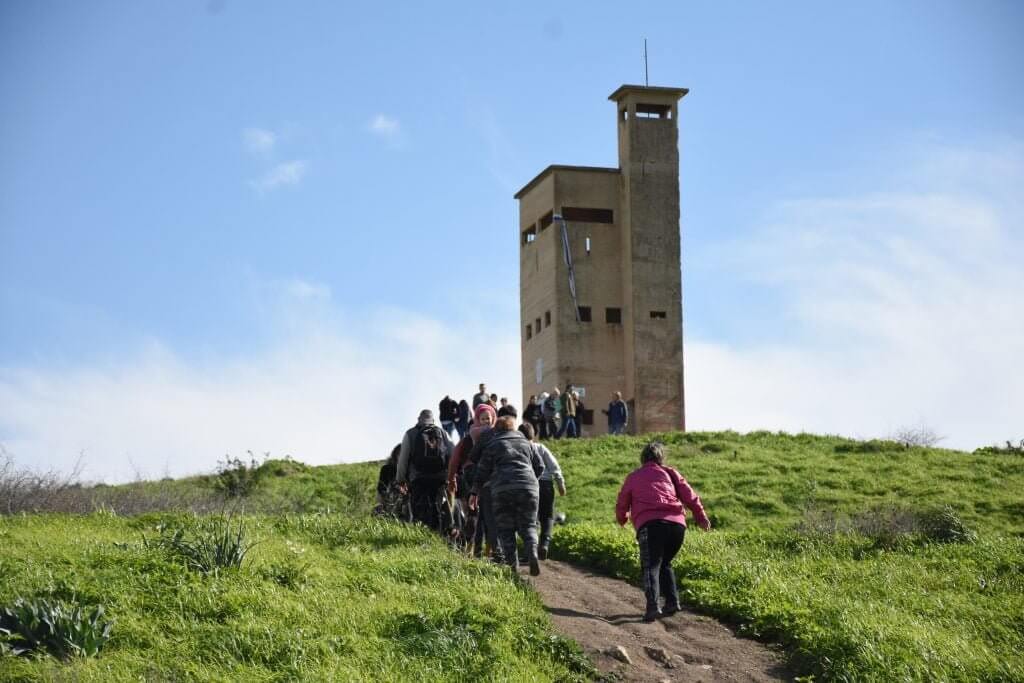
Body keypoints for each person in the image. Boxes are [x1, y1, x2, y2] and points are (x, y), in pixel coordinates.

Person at [615, 442, 711, 622]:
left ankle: (653, 607)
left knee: (650, 565)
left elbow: (622, 501)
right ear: (661, 458)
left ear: (642, 459)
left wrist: (622, 518)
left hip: (651, 526)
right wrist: (701, 517)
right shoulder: (671, 473)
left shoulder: (634, 477)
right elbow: (690, 496)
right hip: (677, 527)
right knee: (665, 563)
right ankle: (672, 602)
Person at [470, 416, 544, 575]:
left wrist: (474, 491)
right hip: (528, 487)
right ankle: (533, 553)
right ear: (513, 428)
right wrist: (530, 482)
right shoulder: (526, 442)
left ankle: (513, 568)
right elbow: (540, 466)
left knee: (506, 529)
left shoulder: (493, 444)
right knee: (529, 525)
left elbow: (482, 471)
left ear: (497, 430)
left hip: (502, 489)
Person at [395, 409, 453, 532]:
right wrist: (450, 475)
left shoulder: (410, 434)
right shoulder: (442, 433)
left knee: (418, 509)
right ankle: (435, 536)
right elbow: (452, 453)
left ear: (419, 419)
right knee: (436, 507)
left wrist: (400, 479)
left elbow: (403, 459)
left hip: (418, 478)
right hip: (439, 478)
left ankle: (420, 536)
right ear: (433, 420)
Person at [519, 423, 565, 560]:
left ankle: (530, 552)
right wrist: (560, 483)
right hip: (546, 485)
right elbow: (554, 466)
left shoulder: (519, 449)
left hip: (528, 486)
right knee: (548, 517)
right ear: (533, 435)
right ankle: (544, 544)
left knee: (530, 520)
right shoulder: (541, 447)